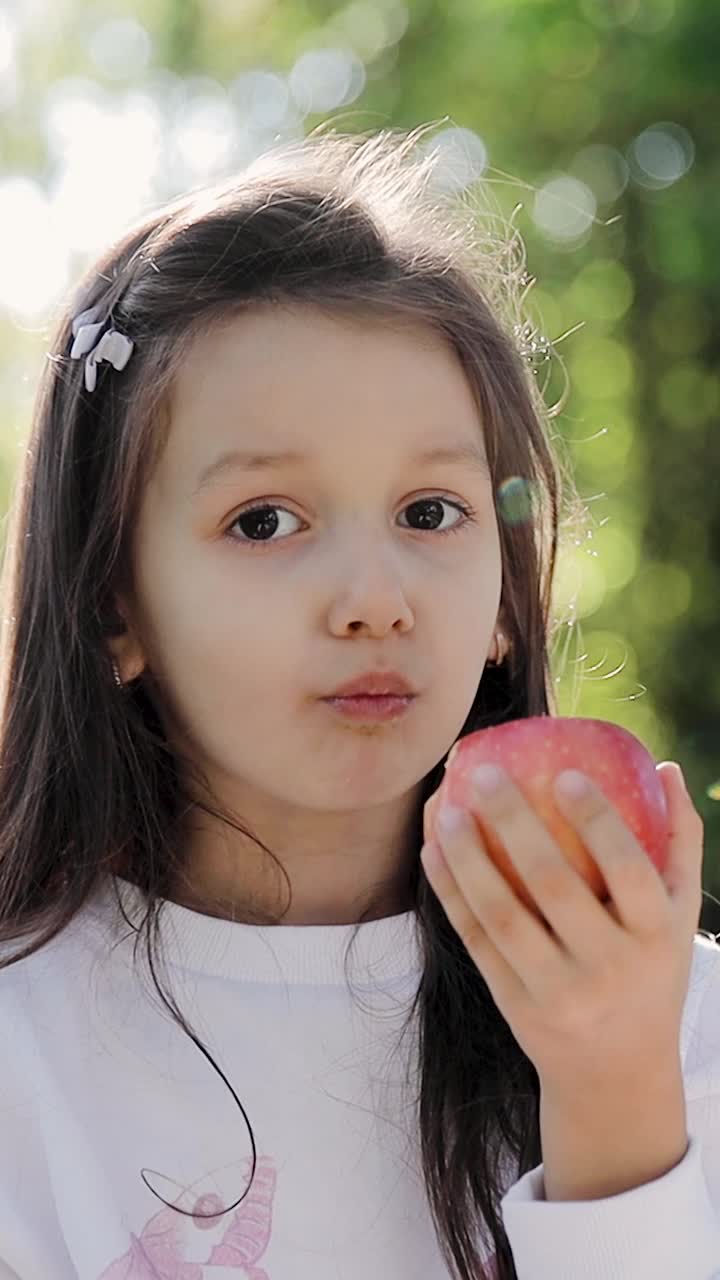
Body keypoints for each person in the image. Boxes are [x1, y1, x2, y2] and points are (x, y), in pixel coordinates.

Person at [0, 123, 717, 1280]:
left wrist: (613, 1087)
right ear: (110, 605)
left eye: (431, 512)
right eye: (265, 520)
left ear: (504, 594)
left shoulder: (676, 1013)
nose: (375, 600)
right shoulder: (23, 1046)